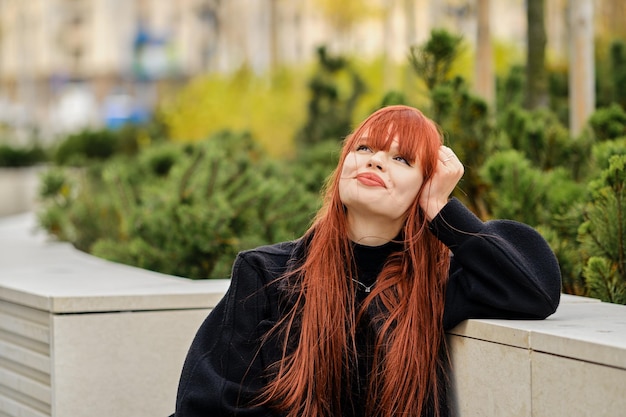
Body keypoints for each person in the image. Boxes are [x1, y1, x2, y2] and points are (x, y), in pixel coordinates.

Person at [171, 105, 561, 417]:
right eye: (365, 148)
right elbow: (208, 402)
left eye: (402, 159)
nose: (375, 161)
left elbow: (534, 289)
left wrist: (441, 210)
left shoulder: (434, 285)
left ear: (424, 188)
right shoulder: (268, 273)